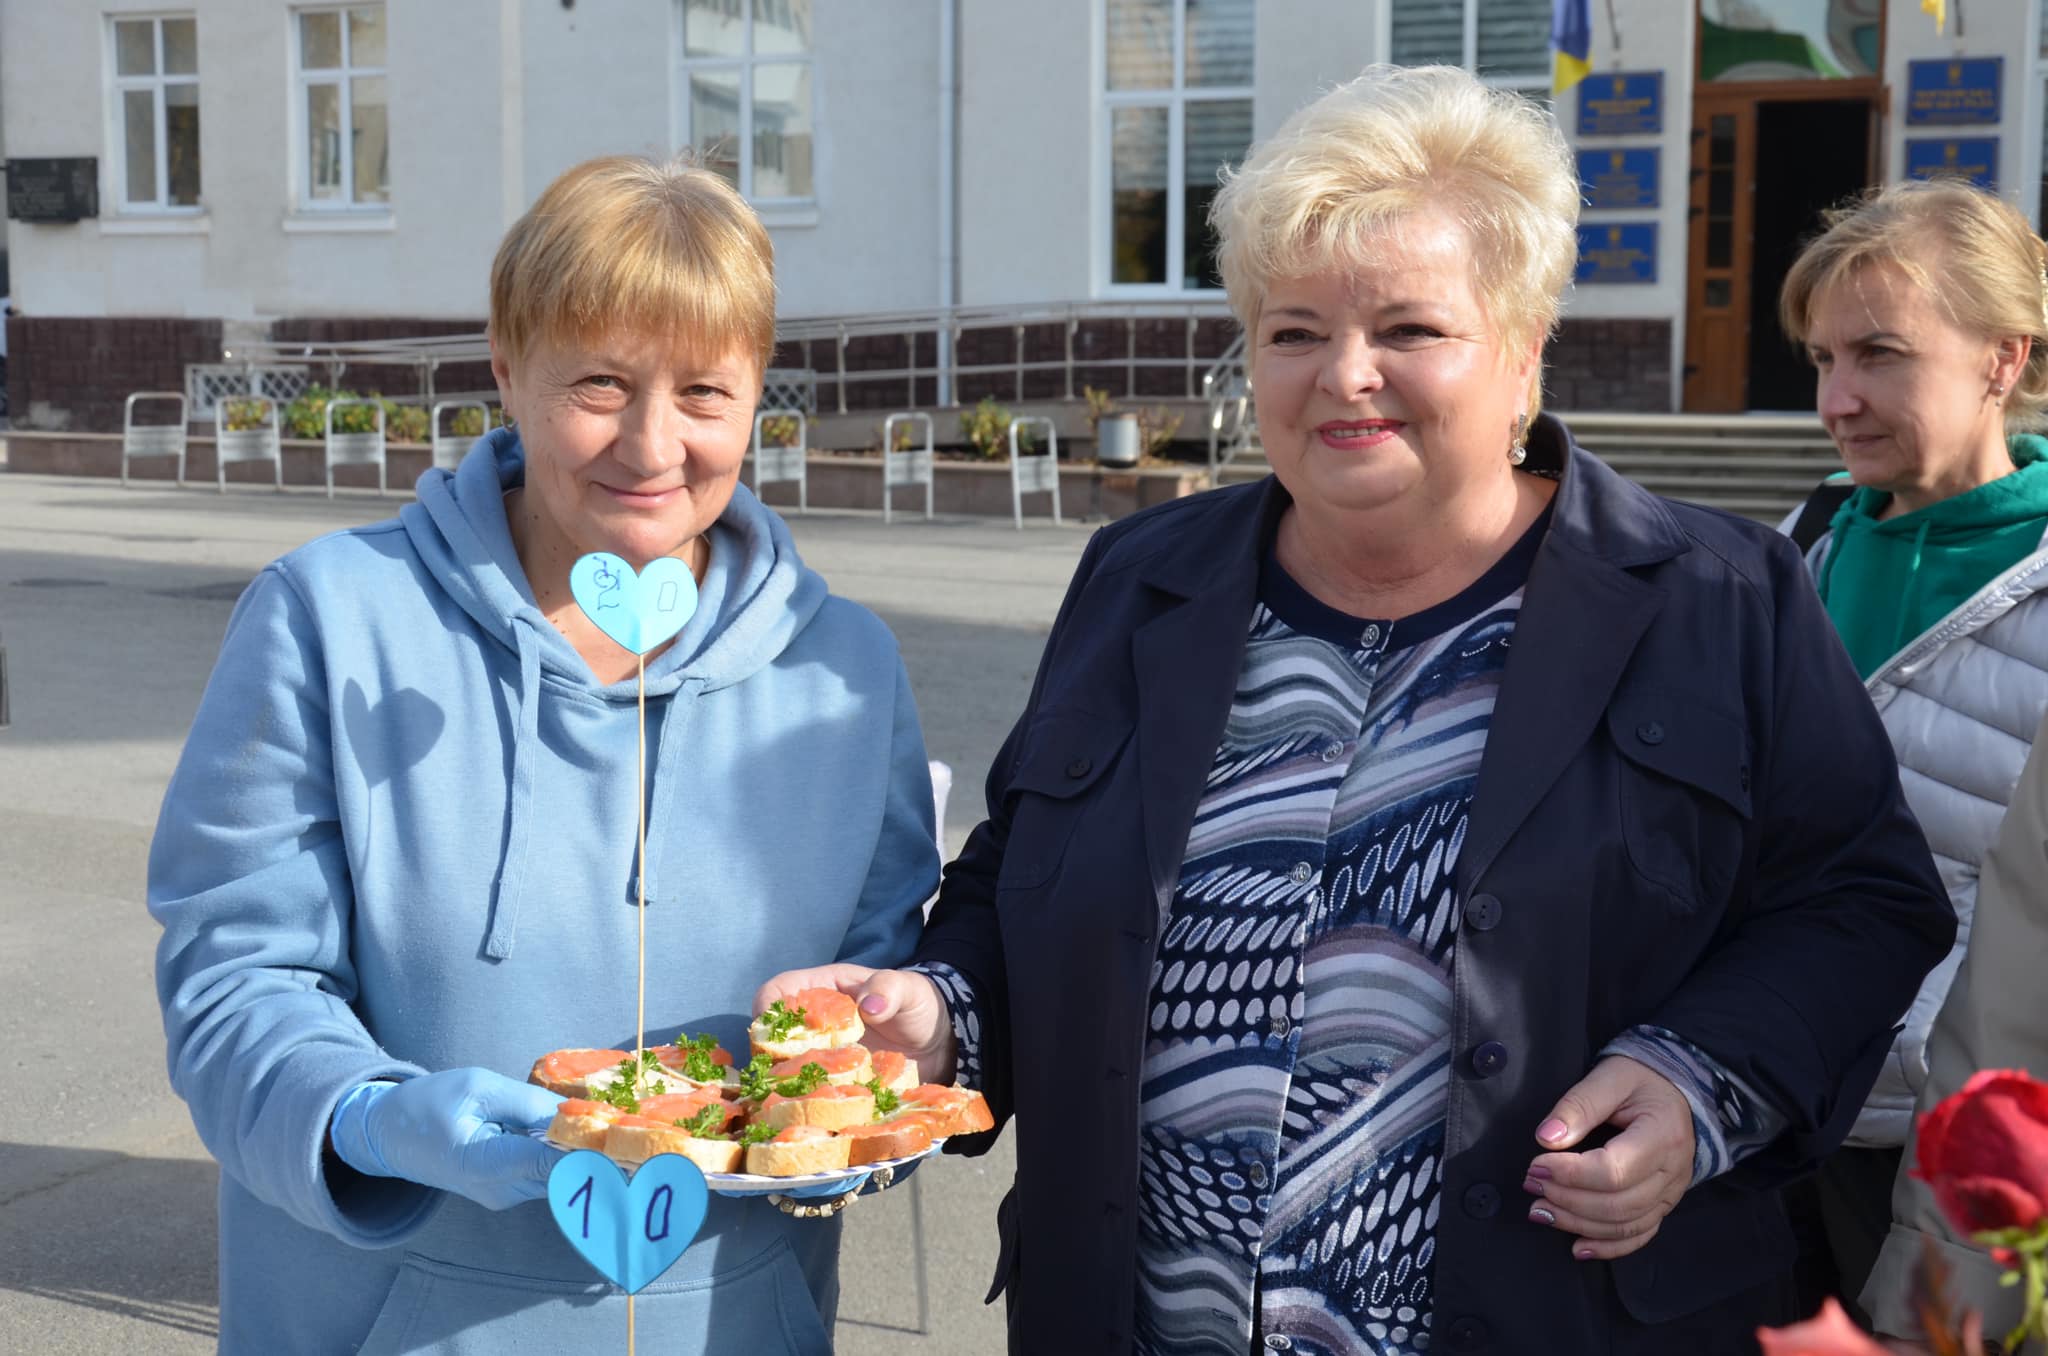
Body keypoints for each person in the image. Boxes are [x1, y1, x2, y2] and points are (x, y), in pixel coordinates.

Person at [761, 65, 1954, 1355]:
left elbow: (1859, 903)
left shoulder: (1715, 601)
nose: (1345, 376)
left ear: (1520, 349)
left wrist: (1695, 1080)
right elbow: (1022, 880)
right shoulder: (1141, 581)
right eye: (1292, 331)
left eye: (1406, 328)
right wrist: (941, 1012)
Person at [148, 155, 939, 1353]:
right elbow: (235, 978)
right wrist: (368, 1119)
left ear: (759, 396)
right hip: (382, 1318)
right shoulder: (332, 618)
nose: (651, 444)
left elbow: (873, 993)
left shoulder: (844, 668)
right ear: (507, 370)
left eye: (703, 393)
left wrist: (846, 1108)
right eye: (602, 383)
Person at [1773, 179, 2048, 1329]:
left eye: (1878, 355)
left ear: (2000, 357)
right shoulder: (1791, 554)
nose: (1837, 399)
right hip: (1767, 1108)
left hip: (1959, 1155)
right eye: (1820, 358)